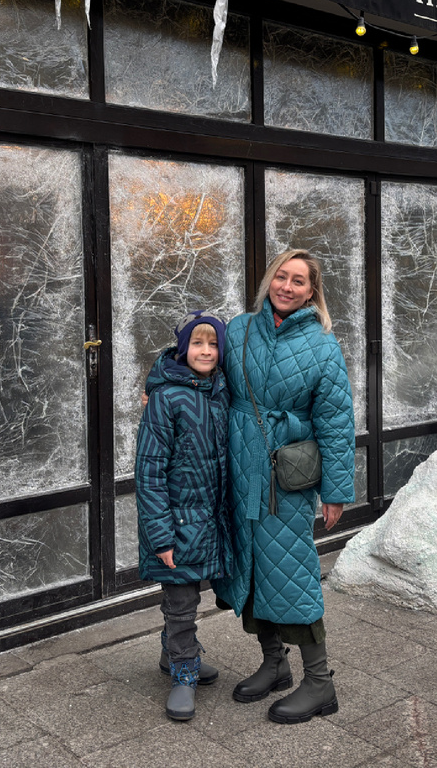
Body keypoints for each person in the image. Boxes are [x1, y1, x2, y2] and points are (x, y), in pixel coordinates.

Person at [214, 249, 355, 724]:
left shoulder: (322, 345)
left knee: (291, 571)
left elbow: (335, 422)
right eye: (282, 276)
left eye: (299, 281)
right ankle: (274, 663)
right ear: (269, 278)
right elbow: (201, 370)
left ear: (312, 292)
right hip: (238, 469)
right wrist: (160, 382)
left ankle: (320, 683)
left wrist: (336, 490)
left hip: (285, 478)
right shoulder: (239, 329)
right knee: (250, 567)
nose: (287, 286)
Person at [134, 309, 232, 722]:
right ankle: (183, 673)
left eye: (213, 343)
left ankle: (169, 652)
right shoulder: (166, 398)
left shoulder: (222, 392)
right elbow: (149, 470)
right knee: (182, 602)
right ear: (182, 347)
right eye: (197, 342)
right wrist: (161, 536)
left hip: (209, 520)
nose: (205, 350)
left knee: (193, 595)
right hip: (174, 523)